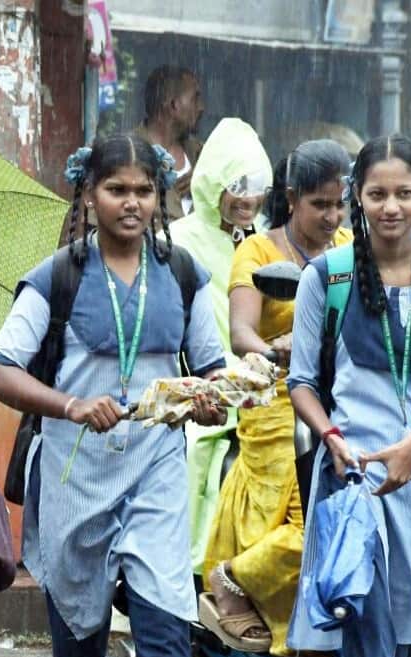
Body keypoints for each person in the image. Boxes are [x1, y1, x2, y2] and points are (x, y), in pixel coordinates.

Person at [0, 134, 228, 657]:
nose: (132, 202)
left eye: (144, 189)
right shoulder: (58, 275)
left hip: (155, 471)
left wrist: (213, 400)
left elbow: (213, 370)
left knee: (164, 636)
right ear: (89, 193)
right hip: (76, 476)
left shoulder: (183, 273)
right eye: (117, 189)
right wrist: (71, 405)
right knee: (78, 643)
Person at [287, 134, 411, 657]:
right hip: (355, 477)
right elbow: (301, 381)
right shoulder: (326, 277)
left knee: (397, 639)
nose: (390, 207)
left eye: (404, 193)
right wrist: (330, 437)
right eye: (377, 194)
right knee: (368, 625)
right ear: (357, 194)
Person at [200, 140, 354, 656]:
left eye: (339, 203)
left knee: (350, 517)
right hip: (276, 402)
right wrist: (274, 348)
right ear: (292, 198)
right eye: (320, 204)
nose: (332, 216)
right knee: (307, 523)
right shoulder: (260, 251)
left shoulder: (353, 247)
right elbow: (241, 331)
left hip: (341, 401)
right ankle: (230, 579)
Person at [168, 117, 273, 572]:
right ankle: (186, 572)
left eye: (256, 185)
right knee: (195, 453)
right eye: (237, 185)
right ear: (213, 184)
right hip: (202, 386)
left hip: (265, 385)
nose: (248, 198)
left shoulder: (267, 242)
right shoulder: (178, 242)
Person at [136, 65, 205, 220]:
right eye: (195, 99)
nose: (201, 108)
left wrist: (205, 182)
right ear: (173, 105)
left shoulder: (201, 155)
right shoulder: (127, 153)